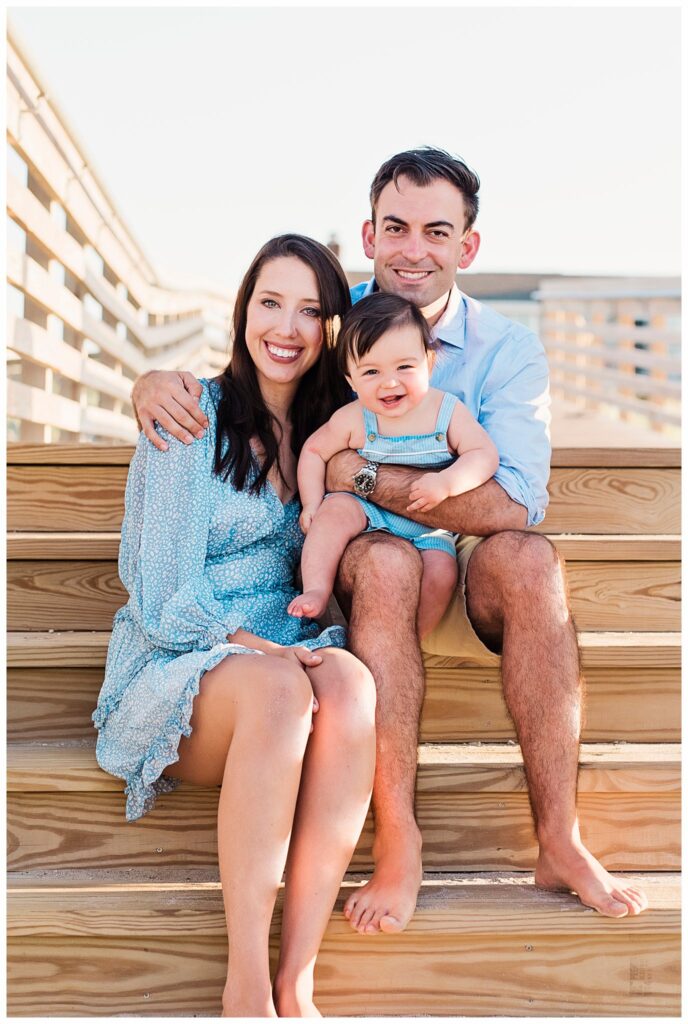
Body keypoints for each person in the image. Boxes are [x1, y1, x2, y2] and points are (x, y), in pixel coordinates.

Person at [130, 147, 649, 930]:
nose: (413, 249)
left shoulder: (508, 351)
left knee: (534, 562)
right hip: (357, 561)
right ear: (369, 234)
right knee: (383, 561)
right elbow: (264, 363)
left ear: (466, 247)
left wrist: (368, 479)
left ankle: (559, 838)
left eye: (436, 232)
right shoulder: (340, 320)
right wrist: (152, 383)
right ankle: (399, 841)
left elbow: (516, 505)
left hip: (460, 562)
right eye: (396, 227)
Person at [93, 234, 377, 1018]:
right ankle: (246, 986)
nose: (286, 326)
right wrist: (268, 653)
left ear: (331, 328)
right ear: (242, 310)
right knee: (285, 690)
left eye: (311, 309)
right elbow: (162, 598)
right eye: (269, 302)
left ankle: (299, 977)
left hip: (280, 658)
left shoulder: (334, 434)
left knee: (352, 684)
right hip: (180, 662)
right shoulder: (191, 416)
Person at [288, 291, 498, 641]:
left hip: (428, 523)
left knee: (442, 573)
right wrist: (311, 503)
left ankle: (409, 639)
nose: (389, 382)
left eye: (404, 366)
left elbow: (483, 454)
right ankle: (316, 591)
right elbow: (314, 451)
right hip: (365, 511)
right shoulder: (355, 417)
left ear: (429, 363)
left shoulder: (445, 411)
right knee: (332, 514)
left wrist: (447, 483)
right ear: (351, 381)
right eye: (371, 371)